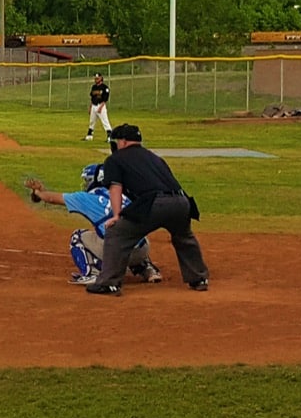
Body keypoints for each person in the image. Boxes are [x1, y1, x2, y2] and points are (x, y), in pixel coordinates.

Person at [84, 124, 209, 295]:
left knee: (117, 233)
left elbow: (115, 187)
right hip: (182, 202)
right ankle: (199, 278)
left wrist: (116, 215)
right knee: (184, 237)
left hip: (155, 203)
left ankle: (109, 283)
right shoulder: (155, 158)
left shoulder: (115, 159)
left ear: (123, 141)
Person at [23, 164, 161, 285]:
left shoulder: (87, 198)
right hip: (143, 249)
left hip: (118, 252)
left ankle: (91, 273)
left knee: (78, 237)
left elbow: (52, 199)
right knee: (130, 231)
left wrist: (38, 192)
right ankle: (147, 269)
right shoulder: (122, 194)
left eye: (86, 180)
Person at [83, 74, 112, 142]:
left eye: (97, 78)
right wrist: (90, 107)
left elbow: (105, 99)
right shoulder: (94, 87)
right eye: (95, 78)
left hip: (101, 105)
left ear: (101, 78)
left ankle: (110, 137)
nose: (96, 80)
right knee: (92, 121)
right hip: (94, 105)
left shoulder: (105, 88)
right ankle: (89, 136)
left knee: (105, 121)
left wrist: (101, 107)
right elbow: (92, 98)